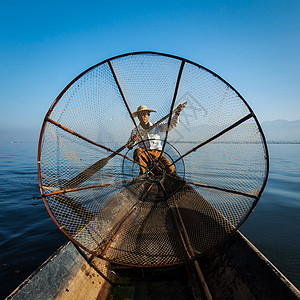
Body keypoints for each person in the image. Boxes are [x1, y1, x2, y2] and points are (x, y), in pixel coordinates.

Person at [128, 103, 186, 175]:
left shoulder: (156, 126)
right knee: (138, 151)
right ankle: (143, 174)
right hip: (145, 155)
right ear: (138, 117)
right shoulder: (135, 131)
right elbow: (129, 146)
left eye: (144, 114)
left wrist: (177, 113)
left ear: (149, 115)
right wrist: (133, 140)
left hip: (158, 155)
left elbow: (171, 125)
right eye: (140, 115)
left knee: (170, 169)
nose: (143, 117)